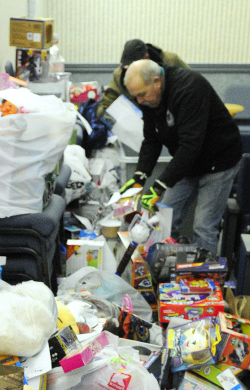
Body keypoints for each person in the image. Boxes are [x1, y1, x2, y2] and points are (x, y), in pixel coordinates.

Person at [122, 59, 243, 255]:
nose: (139, 101)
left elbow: (191, 145)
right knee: (164, 219)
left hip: (219, 161)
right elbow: (151, 139)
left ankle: (204, 277)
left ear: (157, 81)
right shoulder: (147, 97)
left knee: (203, 226)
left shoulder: (189, 88)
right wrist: (140, 176)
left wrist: (160, 185)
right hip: (187, 161)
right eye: (135, 96)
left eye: (142, 95)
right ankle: (166, 270)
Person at [96, 40, 187, 120]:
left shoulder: (171, 60)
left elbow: (192, 85)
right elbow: (105, 105)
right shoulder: (120, 75)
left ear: (146, 58)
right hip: (142, 122)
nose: (130, 71)